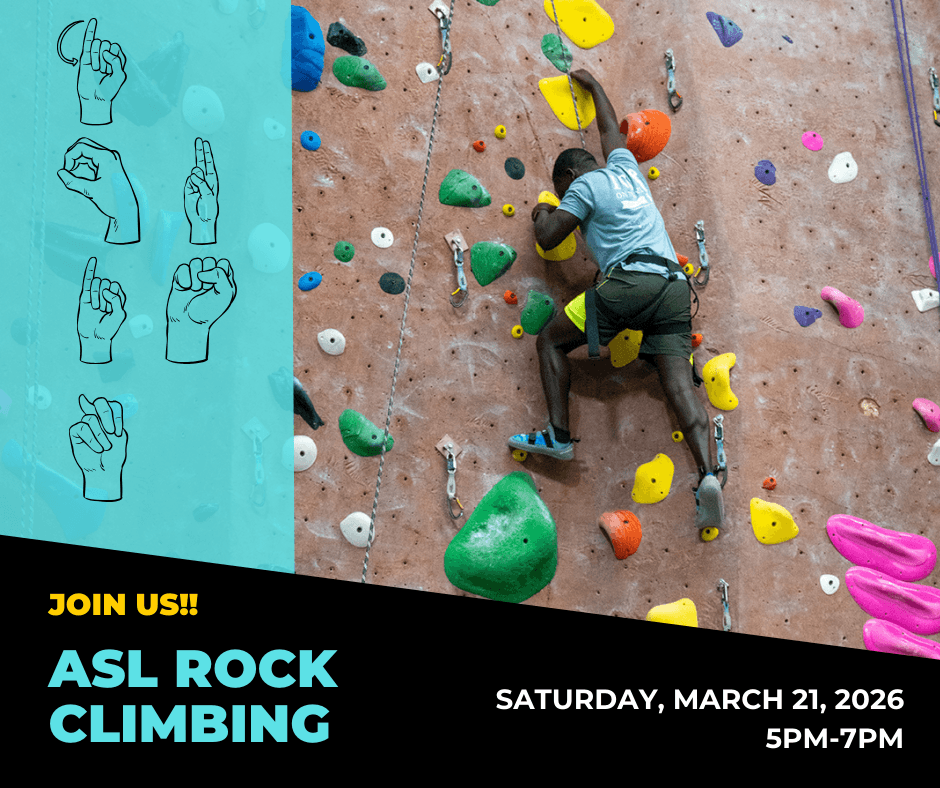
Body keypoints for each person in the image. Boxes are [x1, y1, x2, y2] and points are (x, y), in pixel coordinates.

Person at [507, 68, 724, 532]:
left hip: (630, 284)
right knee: (678, 387)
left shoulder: (582, 187)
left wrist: (543, 210)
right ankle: (709, 473)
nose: (567, 197)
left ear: (568, 177)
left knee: (550, 341)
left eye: (563, 189)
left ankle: (558, 436)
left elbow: (549, 238)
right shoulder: (625, 169)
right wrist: (595, 87)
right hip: (674, 288)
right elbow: (610, 131)